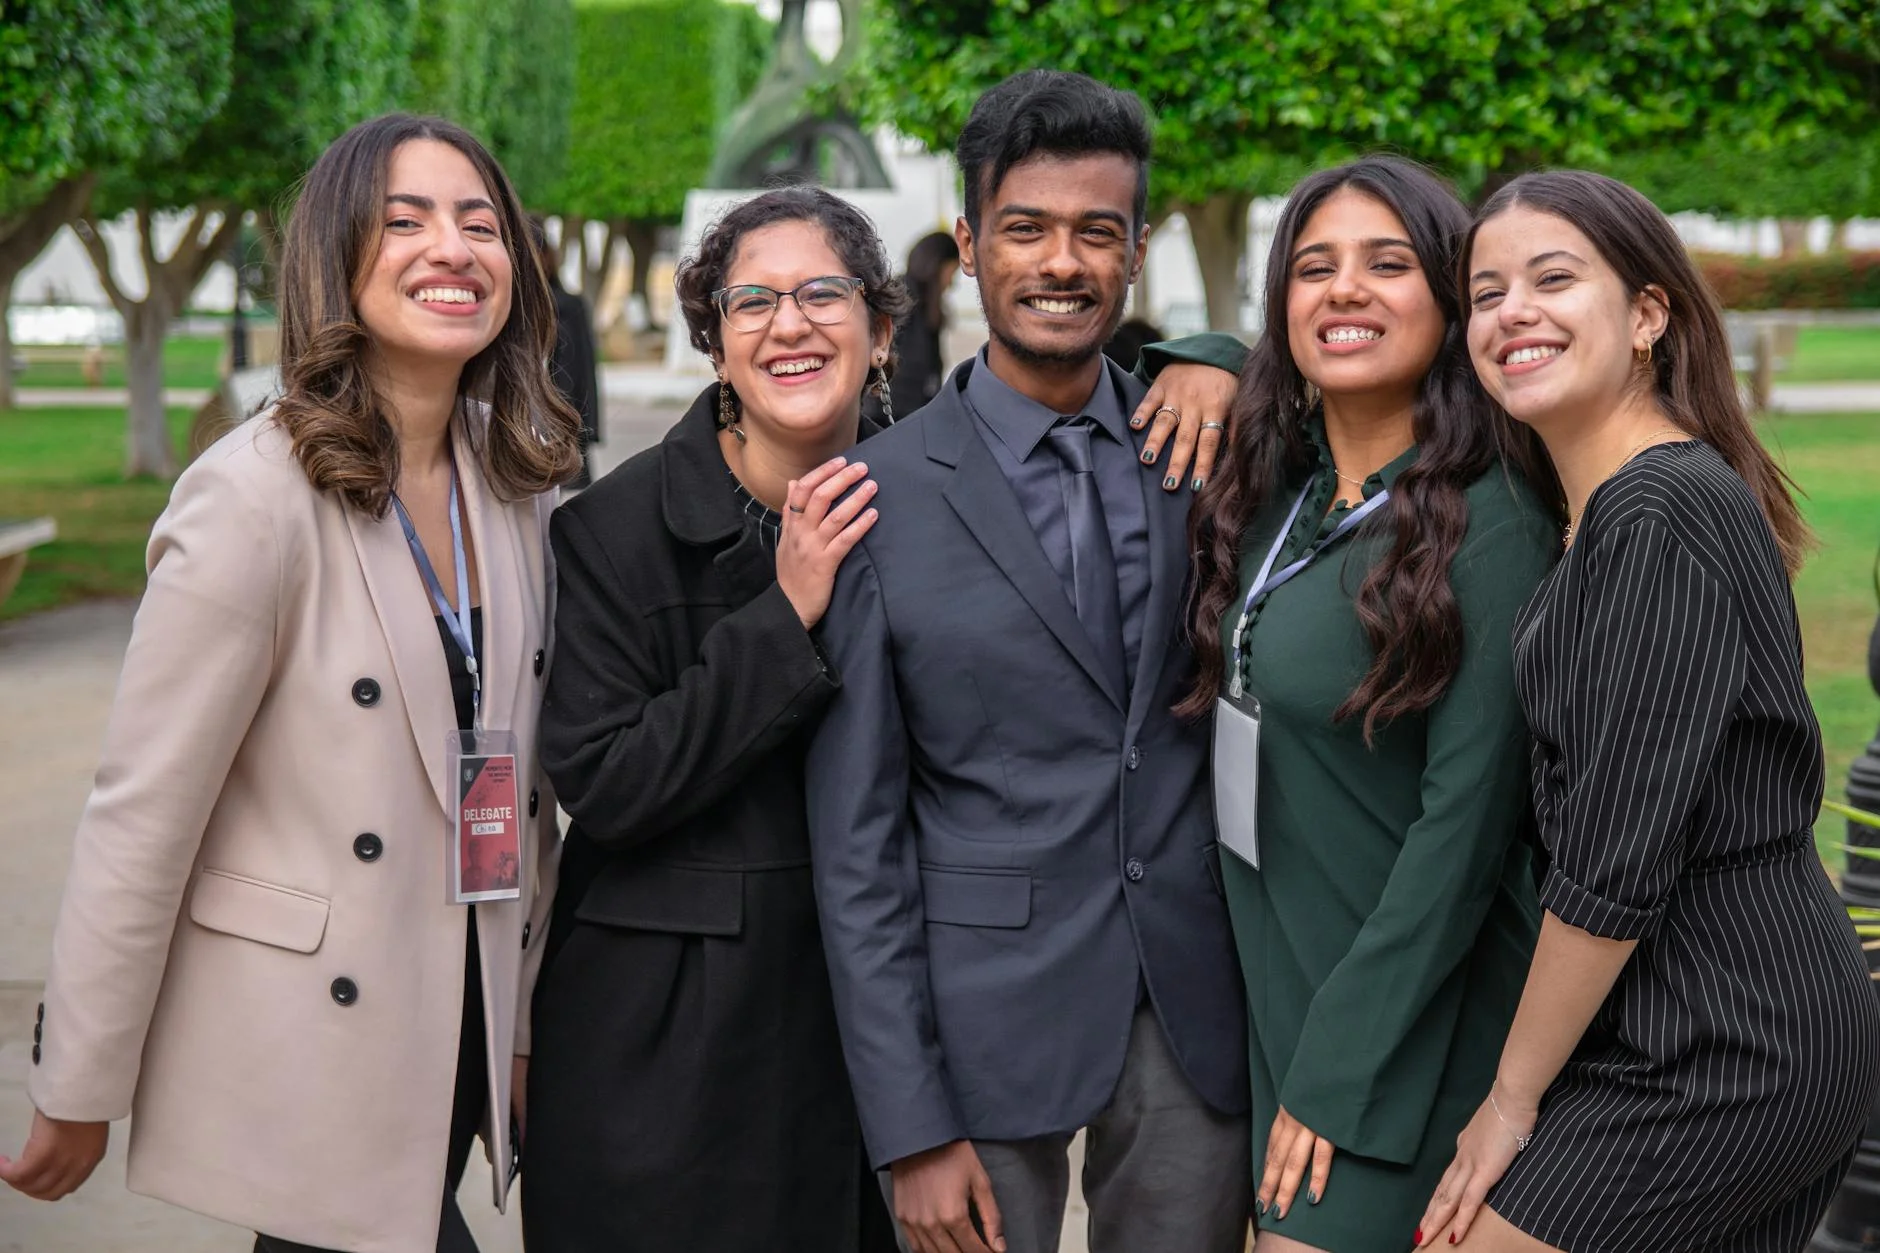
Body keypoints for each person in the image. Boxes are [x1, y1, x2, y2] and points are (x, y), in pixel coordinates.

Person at [523, 177, 1240, 1250]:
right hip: (680, 1035)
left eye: (821, 293)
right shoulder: (615, 531)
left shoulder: (932, 487)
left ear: (878, 328)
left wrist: (1217, 357)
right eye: (750, 302)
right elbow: (608, 781)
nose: (790, 323)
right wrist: (787, 611)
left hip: (886, 1018)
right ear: (713, 343)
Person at [0, 112, 580, 1253]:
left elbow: (520, 791)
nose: (452, 248)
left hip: (457, 1016)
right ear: (335, 254)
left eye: (479, 222)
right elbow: (144, 810)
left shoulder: (516, 487)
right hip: (323, 1028)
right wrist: (78, 1077)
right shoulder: (252, 496)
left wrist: (518, 1023)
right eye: (405, 220)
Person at [805, 70, 1253, 1253]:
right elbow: (856, 842)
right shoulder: (873, 498)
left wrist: (1225, 357)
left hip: (1189, 1007)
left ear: (1136, 249)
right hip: (974, 1027)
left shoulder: (1200, 445)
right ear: (967, 244)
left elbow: (1365, 365)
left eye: (1095, 233)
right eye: (1026, 229)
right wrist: (904, 1123)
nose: (1062, 261)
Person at [1416, 170, 1880, 1252]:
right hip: (1698, 1012)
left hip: (1727, 1039)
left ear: (1644, 314)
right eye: (1484, 293)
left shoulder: (1658, 511)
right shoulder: (1604, 510)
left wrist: (1509, 1102)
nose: (1509, 312)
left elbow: (1615, 859)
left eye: (1551, 277)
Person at [1183, 156, 1558, 1253]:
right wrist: (1198, 358)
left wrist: (1338, 1071)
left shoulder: (1492, 526)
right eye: (1313, 267)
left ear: (1448, 302)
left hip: (1403, 1022)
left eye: (1386, 263)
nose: (1343, 289)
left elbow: (1463, 836)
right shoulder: (1277, 497)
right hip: (1279, 982)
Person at [531, 217, 602, 488]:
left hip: (561, 420)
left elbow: (584, 372)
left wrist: (586, 428)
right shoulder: (504, 306)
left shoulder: (568, 306)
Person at [890, 230, 961, 419]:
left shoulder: (927, 303)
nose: (951, 283)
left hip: (915, 413)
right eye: (951, 273)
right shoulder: (900, 296)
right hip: (894, 417)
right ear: (937, 265)